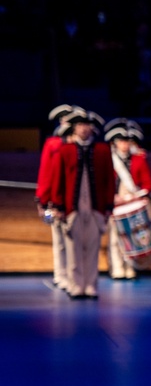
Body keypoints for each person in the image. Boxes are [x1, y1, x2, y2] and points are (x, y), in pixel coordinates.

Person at [46, 107, 116, 299]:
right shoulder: (65, 150)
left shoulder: (102, 150)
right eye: (79, 125)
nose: (83, 129)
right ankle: (76, 285)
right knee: (73, 249)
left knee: (92, 249)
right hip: (72, 208)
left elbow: (109, 180)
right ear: (74, 129)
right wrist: (58, 206)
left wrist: (109, 206)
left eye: (86, 125)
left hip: (95, 207)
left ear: (91, 128)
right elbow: (57, 180)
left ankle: (91, 285)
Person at [105, 119, 151, 279]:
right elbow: (104, 182)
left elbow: (148, 184)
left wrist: (137, 196)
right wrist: (113, 197)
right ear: (115, 143)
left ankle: (130, 267)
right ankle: (117, 268)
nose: (125, 145)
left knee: (132, 237)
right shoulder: (108, 160)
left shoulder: (139, 159)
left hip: (133, 202)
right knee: (114, 238)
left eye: (127, 141)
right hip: (115, 202)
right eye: (121, 142)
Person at [35, 104, 76, 291]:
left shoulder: (78, 145)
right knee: (59, 240)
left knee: (75, 241)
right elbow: (46, 173)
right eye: (64, 120)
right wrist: (42, 201)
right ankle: (61, 275)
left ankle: (74, 275)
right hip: (55, 200)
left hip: (75, 200)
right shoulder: (53, 144)